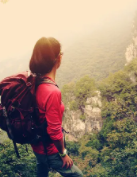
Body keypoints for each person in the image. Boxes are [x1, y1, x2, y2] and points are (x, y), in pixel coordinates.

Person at [29, 37, 83, 177]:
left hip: (36, 145)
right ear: (58, 58)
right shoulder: (52, 92)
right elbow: (54, 131)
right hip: (49, 150)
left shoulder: (33, 82)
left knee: (41, 171)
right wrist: (63, 154)